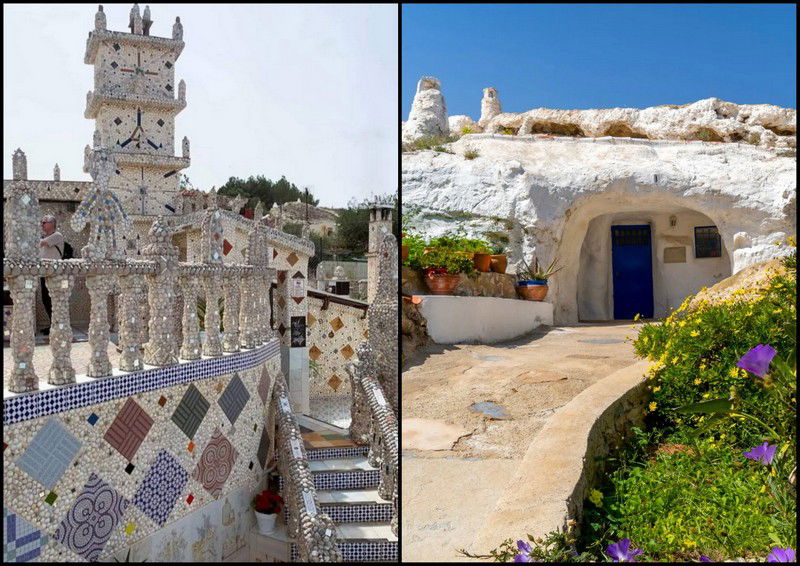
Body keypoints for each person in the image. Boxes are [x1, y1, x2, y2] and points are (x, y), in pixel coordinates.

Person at [39, 214, 64, 335]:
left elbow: (41, 243)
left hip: (55, 274)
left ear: (52, 224)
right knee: (46, 300)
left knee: (54, 300)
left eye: (44, 222)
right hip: (45, 274)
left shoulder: (56, 236)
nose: (42, 224)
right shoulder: (45, 237)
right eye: (42, 222)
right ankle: (52, 324)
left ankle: (58, 326)